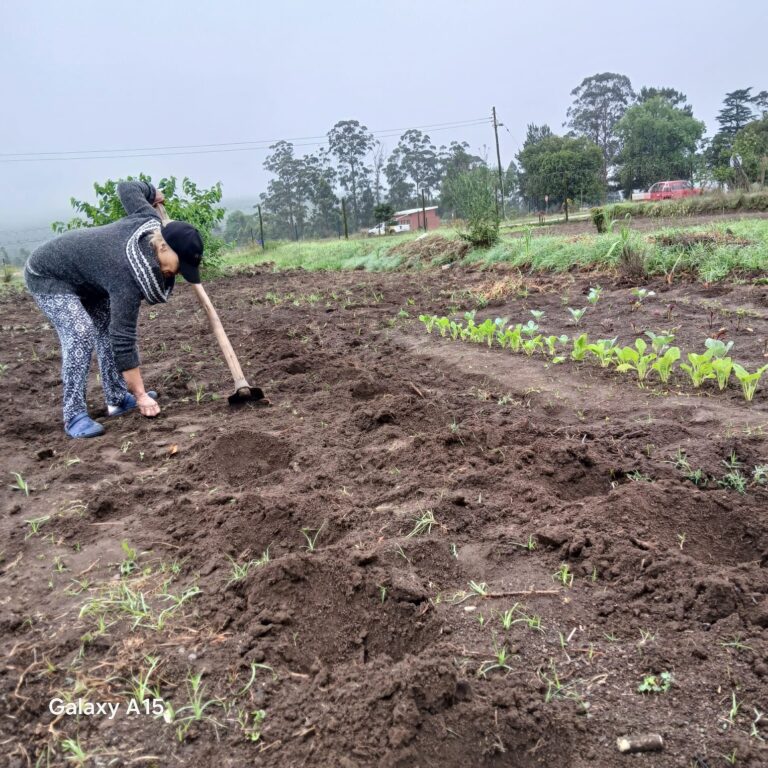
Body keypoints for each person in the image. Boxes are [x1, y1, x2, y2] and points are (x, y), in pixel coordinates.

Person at [23, 181, 204, 438]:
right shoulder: (128, 274)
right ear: (163, 247)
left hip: (90, 278)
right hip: (48, 273)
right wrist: (141, 395)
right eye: (179, 265)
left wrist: (151, 195)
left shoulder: (150, 220)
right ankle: (73, 414)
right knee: (80, 332)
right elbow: (124, 338)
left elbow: (129, 190)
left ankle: (118, 399)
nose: (177, 273)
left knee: (105, 329)